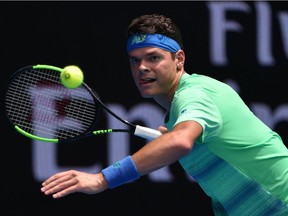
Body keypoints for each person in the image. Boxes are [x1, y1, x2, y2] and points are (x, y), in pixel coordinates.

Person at [41, 14, 288, 215]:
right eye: (134, 60)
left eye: (153, 58)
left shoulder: (195, 94)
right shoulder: (178, 116)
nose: (142, 68)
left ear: (179, 59)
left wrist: (102, 179)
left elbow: (179, 141)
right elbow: (227, 187)